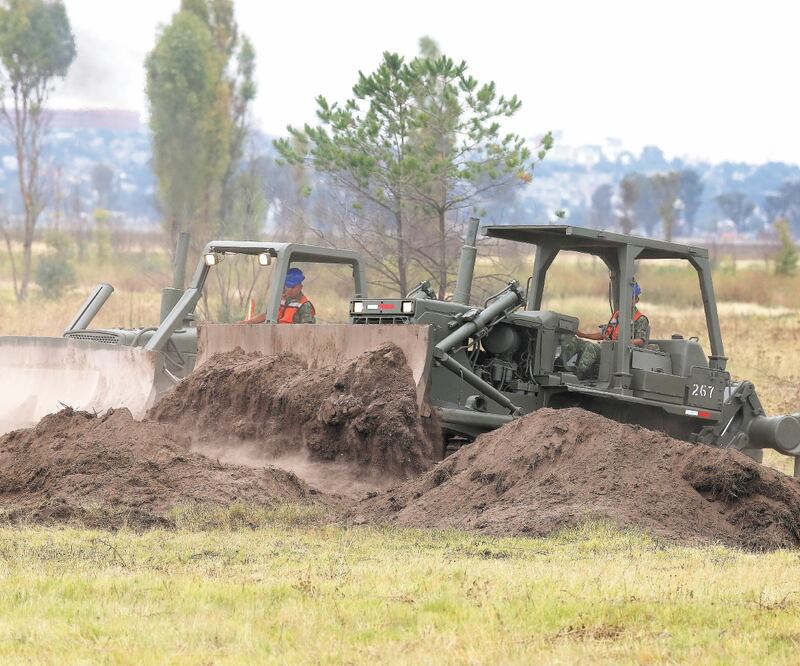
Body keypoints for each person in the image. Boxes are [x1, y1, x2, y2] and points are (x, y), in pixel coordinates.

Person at [560, 282, 649, 380]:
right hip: (607, 347)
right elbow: (605, 334)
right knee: (573, 341)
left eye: (631, 298)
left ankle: (578, 376)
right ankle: (561, 367)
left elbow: (641, 340)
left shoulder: (640, 319)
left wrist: (622, 342)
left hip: (620, 352)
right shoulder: (618, 315)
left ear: (636, 300)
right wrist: (583, 335)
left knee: (591, 347)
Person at [240, 267, 316, 324]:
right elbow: (267, 315)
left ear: (300, 287)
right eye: (287, 286)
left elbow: (306, 329)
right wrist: (247, 323)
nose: (289, 290)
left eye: (293, 287)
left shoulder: (304, 305)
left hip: (293, 340)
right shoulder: (280, 300)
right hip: (277, 336)